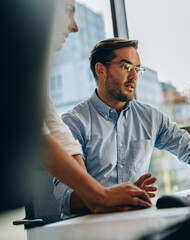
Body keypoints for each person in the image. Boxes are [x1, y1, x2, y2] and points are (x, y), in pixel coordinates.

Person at [54, 38, 190, 216]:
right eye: (126, 67)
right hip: (86, 229)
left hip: (134, 220)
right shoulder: (73, 123)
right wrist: (119, 194)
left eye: (137, 69)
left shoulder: (149, 117)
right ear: (101, 70)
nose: (134, 77)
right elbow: (66, 200)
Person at [42, 0, 154, 214]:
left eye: (137, 69)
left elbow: (57, 134)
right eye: (67, 11)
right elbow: (39, 140)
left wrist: (96, 195)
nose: (75, 26)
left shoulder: (148, 116)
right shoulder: (77, 120)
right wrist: (98, 195)